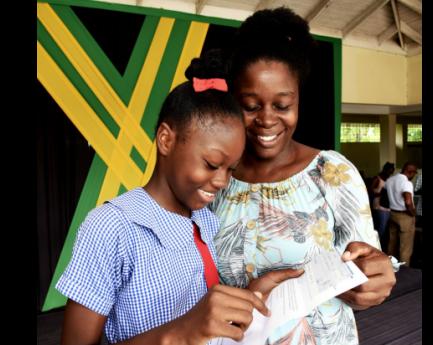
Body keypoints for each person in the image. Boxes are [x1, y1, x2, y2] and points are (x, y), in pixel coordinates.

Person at [55, 51, 281, 345]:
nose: (222, 181)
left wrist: (254, 293)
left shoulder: (205, 220)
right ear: (166, 139)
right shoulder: (112, 227)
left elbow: (207, 317)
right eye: (212, 164)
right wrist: (181, 332)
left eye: (230, 169)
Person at [209, 7, 397, 344]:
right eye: (251, 106)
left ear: (298, 102)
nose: (267, 119)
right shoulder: (215, 179)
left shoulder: (331, 173)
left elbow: (369, 260)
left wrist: (377, 278)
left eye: (282, 105)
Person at [385, 162, 418, 266]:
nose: (413, 176)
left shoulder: (390, 180)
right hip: (405, 216)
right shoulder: (407, 183)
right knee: (405, 248)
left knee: (392, 243)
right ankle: (405, 271)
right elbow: (408, 201)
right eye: (414, 173)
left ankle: (389, 267)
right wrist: (413, 213)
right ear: (410, 172)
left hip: (393, 214)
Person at [370, 162, 395, 239]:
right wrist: (380, 193)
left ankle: (382, 243)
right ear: (385, 170)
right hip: (378, 206)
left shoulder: (389, 179)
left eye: (392, 172)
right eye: (389, 171)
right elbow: (370, 190)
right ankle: (377, 243)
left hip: (387, 206)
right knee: (381, 227)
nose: (390, 173)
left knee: (386, 229)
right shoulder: (377, 178)